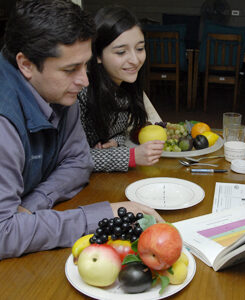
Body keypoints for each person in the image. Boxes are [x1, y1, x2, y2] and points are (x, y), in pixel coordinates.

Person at [0, 0, 162, 260]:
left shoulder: (61, 90)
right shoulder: (3, 122)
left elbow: (79, 161)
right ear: (26, 65)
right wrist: (101, 215)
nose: (84, 80)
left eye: (85, 65)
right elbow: (3, 234)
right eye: (70, 69)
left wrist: (32, 205)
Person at [78, 5, 164, 172]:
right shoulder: (80, 91)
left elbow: (120, 131)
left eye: (140, 48)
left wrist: (115, 142)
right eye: (121, 52)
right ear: (97, 56)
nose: (135, 59)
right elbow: (74, 158)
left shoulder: (126, 85)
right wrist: (130, 156)